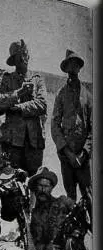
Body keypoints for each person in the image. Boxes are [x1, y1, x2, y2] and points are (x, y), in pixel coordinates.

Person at [0, 39, 47, 175]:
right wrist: (17, 94)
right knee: (12, 179)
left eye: (25, 54)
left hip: (34, 141)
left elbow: (42, 104)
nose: (23, 58)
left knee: (35, 180)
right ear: (14, 60)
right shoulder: (6, 79)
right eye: (19, 56)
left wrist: (18, 108)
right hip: (12, 142)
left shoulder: (37, 79)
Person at [28, 167, 91, 250]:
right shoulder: (33, 215)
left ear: (51, 188)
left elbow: (80, 212)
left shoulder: (63, 201)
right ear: (35, 188)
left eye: (46, 186)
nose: (43, 190)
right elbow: (33, 245)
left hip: (77, 241)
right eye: (40, 186)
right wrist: (48, 248)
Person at [51, 50, 92, 202]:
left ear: (79, 67)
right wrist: (67, 152)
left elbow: (93, 130)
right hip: (66, 156)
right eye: (70, 64)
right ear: (66, 68)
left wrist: (84, 153)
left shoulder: (88, 96)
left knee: (89, 197)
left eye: (76, 64)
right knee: (70, 199)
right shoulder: (61, 94)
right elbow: (55, 125)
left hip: (83, 158)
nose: (73, 68)